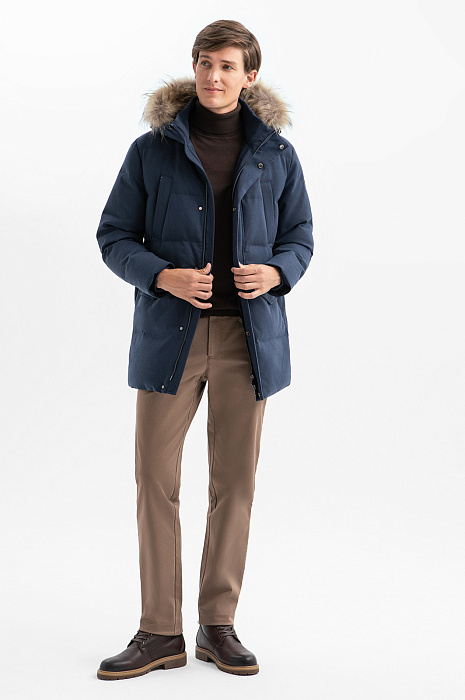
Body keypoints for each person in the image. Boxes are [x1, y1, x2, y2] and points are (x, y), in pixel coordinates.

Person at [95, 19, 313, 680]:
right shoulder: (151, 150)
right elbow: (113, 236)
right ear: (193, 68)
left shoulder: (276, 154)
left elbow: (300, 236)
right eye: (204, 63)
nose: (213, 77)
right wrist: (162, 275)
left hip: (249, 339)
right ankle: (159, 632)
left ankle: (218, 626)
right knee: (155, 480)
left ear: (250, 76)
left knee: (235, 483)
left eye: (226, 66)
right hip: (171, 337)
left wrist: (277, 271)